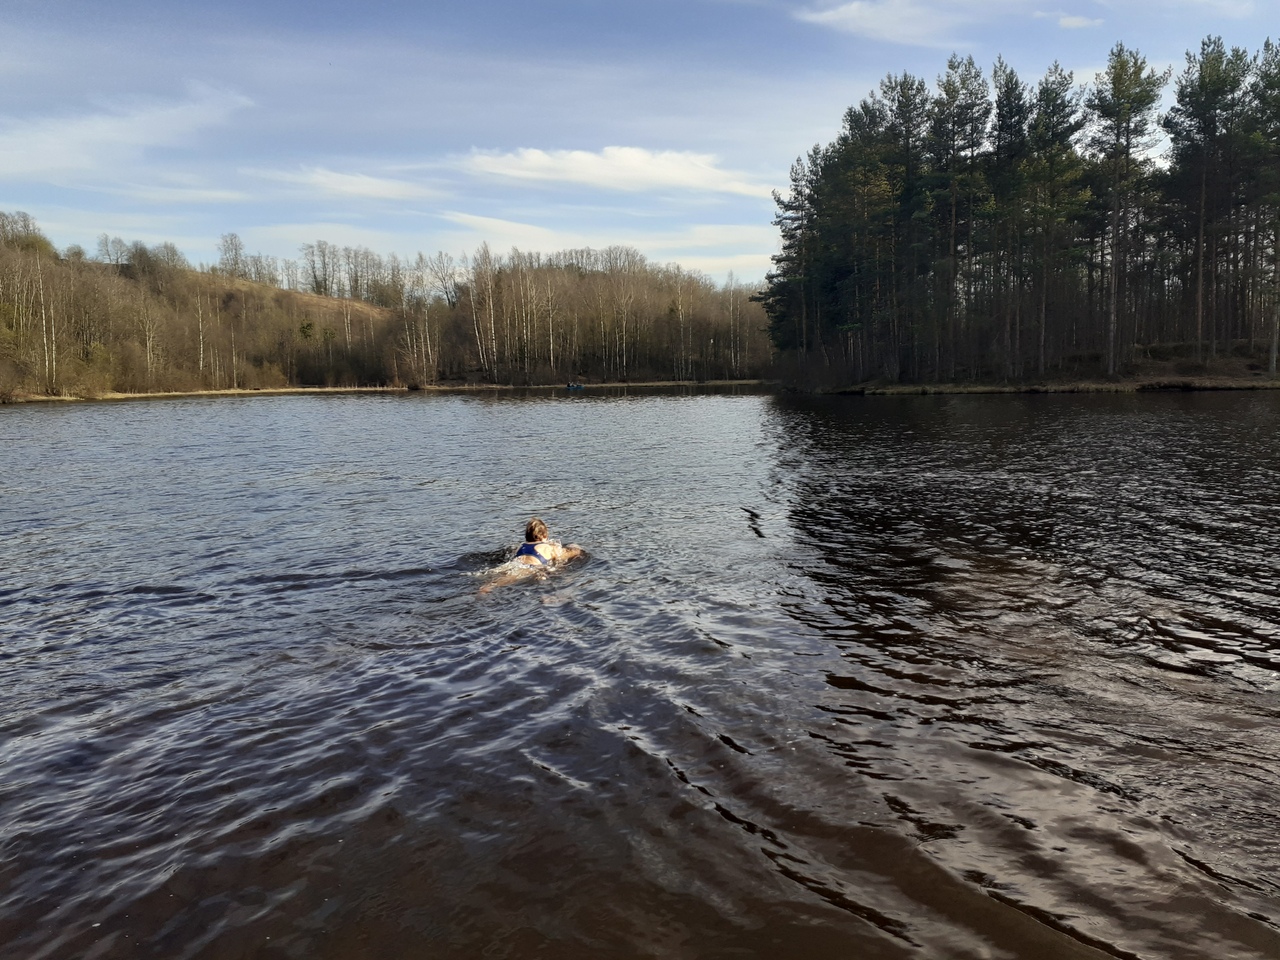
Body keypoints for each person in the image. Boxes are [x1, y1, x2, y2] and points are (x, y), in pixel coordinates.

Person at [479, 517, 583, 593]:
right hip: (532, 568)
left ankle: (486, 588)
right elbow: (570, 553)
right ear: (544, 535)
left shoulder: (520, 547)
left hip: (514, 565)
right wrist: (575, 548)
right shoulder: (549, 547)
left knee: (500, 578)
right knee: (541, 580)